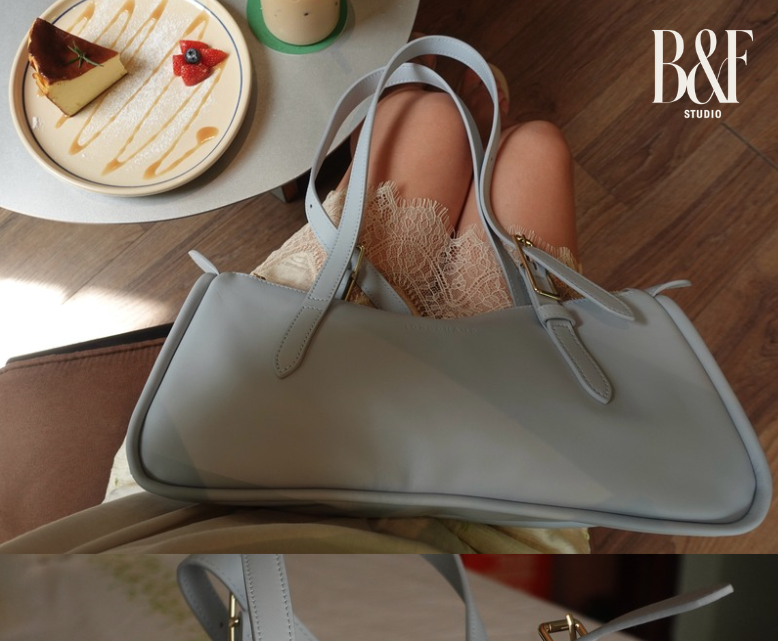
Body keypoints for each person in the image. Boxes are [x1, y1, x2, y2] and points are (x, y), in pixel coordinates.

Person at [0, 50, 589, 556]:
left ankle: (461, 144)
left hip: (220, 460)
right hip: (480, 510)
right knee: (535, 149)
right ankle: (473, 148)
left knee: (435, 121)